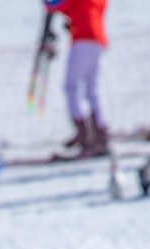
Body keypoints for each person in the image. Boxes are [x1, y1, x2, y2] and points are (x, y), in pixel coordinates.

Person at [43, 0, 109, 157]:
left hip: (83, 40)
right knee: (92, 90)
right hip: (98, 40)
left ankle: (86, 139)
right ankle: (101, 138)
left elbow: (54, 5)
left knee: (72, 87)